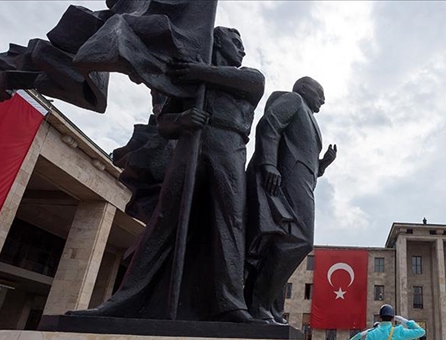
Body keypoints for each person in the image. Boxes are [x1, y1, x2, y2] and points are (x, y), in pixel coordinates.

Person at [71, 26, 264, 321]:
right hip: (190, 146)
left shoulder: (242, 78)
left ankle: (230, 302)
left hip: (229, 146)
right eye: (235, 42)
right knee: (164, 219)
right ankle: (126, 298)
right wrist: (183, 119)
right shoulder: (190, 82)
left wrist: (200, 71)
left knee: (229, 221)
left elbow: (253, 82)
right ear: (217, 42)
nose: (242, 49)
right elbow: (165, 124)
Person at [244, 76, 337, 324]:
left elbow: (305, 159)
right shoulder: (293, 100)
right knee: (298, 239)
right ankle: (258, 303)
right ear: (304, 89)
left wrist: (323, 164)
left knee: (287, 239)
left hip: (303, 182)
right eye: (320, 92)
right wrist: (268, 164)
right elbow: (269, 126)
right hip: (285, 179)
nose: (323, 100)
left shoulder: (310, 117)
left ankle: (271, 307)